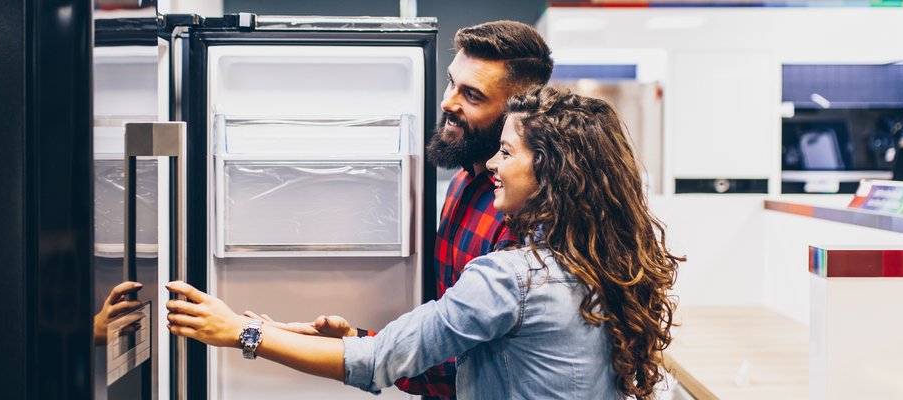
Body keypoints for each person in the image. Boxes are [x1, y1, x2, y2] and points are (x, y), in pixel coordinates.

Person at [165, 86, 685, 399]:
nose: (493, 167)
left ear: (549, 170)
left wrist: (240, 334)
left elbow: (375, 362)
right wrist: (348, 337)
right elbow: (458, 346)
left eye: (506, 153)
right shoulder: (603, 263)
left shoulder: (512, 277)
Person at [243, 19, 555, 400]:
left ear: (515, 112)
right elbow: (442, 332)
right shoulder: (461, 183)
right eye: (451, 81)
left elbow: (457, 361)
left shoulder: (519, 219)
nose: (448, 102)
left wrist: (254, 337)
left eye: (471, 96)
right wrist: (355, 339)